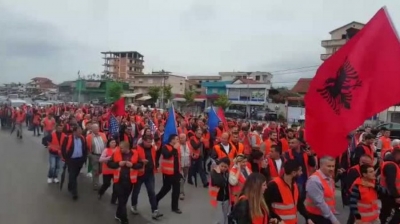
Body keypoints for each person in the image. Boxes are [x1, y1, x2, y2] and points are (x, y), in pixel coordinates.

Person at [265, 159, 313, 224]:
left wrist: (308, 217)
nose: (302, 173)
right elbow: (266, 207)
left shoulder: (294, 184)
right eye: (300, 171)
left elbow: (299, 204)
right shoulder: (273, 186)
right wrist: (277, 220)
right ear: (293, 173)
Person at [107, 141, 141, 224]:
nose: (120, 149)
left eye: (121, 148)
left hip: (129, 181)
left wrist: (132, 165)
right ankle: (124, 219)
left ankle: (118, 215)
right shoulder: (116, 153)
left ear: (127, 148)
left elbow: (140, 164)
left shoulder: (135, 153)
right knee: (121, 200)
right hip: (118, 181)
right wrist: (118, 163)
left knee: (124, 200)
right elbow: (109, 163)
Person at [130, 135, 163, 220]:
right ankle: (134, 205)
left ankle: (155, 210)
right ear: (143, 141)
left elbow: (154, 158)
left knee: (151, 192)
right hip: (140, 174)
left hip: (150, 173)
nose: (149, 143)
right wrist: (141, 161)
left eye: (150, 141)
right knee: (136, 191)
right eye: (147, 141)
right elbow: (132, 161)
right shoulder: (136, 148)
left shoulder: (152, 148)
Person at [305, 156, 339, 224]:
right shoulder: (314, 180)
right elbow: (320, 203)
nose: (331, 169)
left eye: (333, 166)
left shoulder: (329, 177)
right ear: (321, 165)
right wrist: (333, 219)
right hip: (316, 217)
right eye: (329, 166)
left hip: (326, 215)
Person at [156, 134, 182, 214]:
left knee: (176, 190)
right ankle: (155, 200)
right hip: (168, 173)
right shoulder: (165, 147)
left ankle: (175, 207)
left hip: (176, 172)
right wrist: (174, 148)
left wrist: (179, 171)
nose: (178, 140)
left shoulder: (177, 148)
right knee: (166, 189)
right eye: (176, 139)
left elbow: (177, 160)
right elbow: (167, 155)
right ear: (172, 140)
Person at [61, 126, 87, 200]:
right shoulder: (68, 138)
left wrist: (84, 159)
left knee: (75, 175)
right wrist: (66, 158)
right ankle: (74, 192)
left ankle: (70, 185)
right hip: (71, 160)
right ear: (74, 132)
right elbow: (63, 148)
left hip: (79, 160)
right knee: (72, 175)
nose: (80, 133)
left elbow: (85, 149)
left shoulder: (82, 138)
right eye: (79, 132)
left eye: (81, 131)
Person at [86, 123, 107, 191]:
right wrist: (90, 155)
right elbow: (87, 147)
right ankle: (95, 184)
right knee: (95, 170)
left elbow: (106, 143)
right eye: (94, 128)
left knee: (101, 170)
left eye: (97, 128)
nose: (96, 129)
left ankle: (96, 181)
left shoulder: (103, 135)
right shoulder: (89, 137)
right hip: (94, 155)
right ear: (91, 129)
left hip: (102, 155)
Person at [209, 157, 230, 224]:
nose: (223, 168)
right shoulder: (214, 172)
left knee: (225, 215)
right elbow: (219, 183)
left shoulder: (227, 173)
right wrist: (218, 173)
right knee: (218, 217)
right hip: (216, 198)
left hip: (226, 197)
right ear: (219, 165)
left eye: (225, 167)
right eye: (222, 166)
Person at [98, 138, 118, 204]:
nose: (113, 144)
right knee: (106, 184)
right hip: (107, 171)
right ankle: (100, 192)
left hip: (115, 170)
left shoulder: (118, 149)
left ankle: (114, 200)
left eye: (114, 142)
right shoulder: (106, 150)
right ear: (109, 143)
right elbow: (100, 159)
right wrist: (108, 158)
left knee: (116, 186)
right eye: (112, 142)